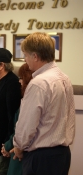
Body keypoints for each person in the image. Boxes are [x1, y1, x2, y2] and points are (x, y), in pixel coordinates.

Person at [13, 32, 75, 175]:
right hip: (62, 155)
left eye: (26, 55)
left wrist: (18, 147)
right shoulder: (65, 79)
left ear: (35, 56)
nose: (25, 59)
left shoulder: (39, 83)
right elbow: (70, 117)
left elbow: (27, 124)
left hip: (41, 158)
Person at [1, 63, 34, 175]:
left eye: (21, 78)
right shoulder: (25, 99)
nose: (19, 81)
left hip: (21, 154)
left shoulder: (29, 101)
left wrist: (7, 146)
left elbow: (21, 129)